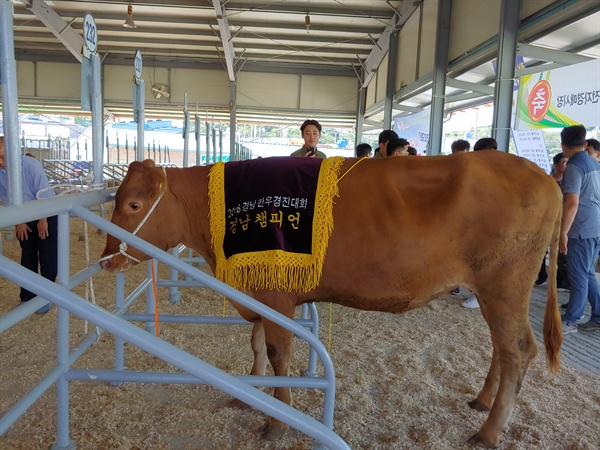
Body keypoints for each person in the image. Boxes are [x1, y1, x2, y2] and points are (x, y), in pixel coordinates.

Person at [0, 135, 58, 314]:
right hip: (23, 217)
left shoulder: (31, 165)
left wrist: (42, 220)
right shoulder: (0, 172)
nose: (0, 162)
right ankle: (27, 297)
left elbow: (44, 194)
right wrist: (19, 221)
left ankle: (46, 297)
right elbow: (6, 198)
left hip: (46, 213)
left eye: (2, 157)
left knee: (48, 257)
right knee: (27, 255)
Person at [558, 125, 600, 334]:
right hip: (594, 226)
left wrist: (563, 233)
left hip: (581, 228)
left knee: (578, 276)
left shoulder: (574, 167)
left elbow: (572, 203)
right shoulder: (594, 163)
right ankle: (598, 314)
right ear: (585, 144)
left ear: (563, 146)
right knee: (588, 273)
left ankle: (572, 319)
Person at [536, 152, 570, 291]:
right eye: (564, 162)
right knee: (543, 248)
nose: (566, 165)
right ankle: (541, 274)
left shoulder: (570, 181)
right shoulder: (548, 181)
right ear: (556, 165)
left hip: (563, 219)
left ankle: (561, 279)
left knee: (562, 250)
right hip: (547, 218)